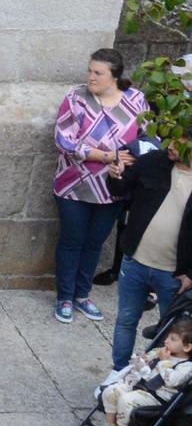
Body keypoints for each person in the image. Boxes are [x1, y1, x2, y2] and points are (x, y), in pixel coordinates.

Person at [53, 48, 148, 323]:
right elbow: (64, 141)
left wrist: (126, 163)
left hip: (114, 186)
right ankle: (65, 298)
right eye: (90, 71)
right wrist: (107, 156)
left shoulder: (136, 100)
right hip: (74, 184)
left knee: (95, 242)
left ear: (115, 76)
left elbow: (145, 140)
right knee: (72, 240)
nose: (91, 77)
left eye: (98, 73)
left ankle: (83, 295)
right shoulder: (76, 98)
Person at [103, 136, 192, 367]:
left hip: (173, 273)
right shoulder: (153, 161)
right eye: (173, 140)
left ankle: (158, 376)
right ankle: (119, 370)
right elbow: (120, 188)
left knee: (171, 330)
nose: (171, 146)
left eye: (180, 144)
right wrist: (115, 175)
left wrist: (190, 273)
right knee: (126, 320)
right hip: (135, 261)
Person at [91, 317, 192, 426]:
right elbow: (144, 364)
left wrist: (164, 362)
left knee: (126, 400)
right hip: (140, 386)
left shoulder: (186, 366)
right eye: (167, 337)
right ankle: (110, 423)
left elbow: (171, 380)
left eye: (173, 339)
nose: (166, 341)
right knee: (111, 391)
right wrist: (142, 360)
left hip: (157, 397)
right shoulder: (160, 352)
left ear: (187, 347)